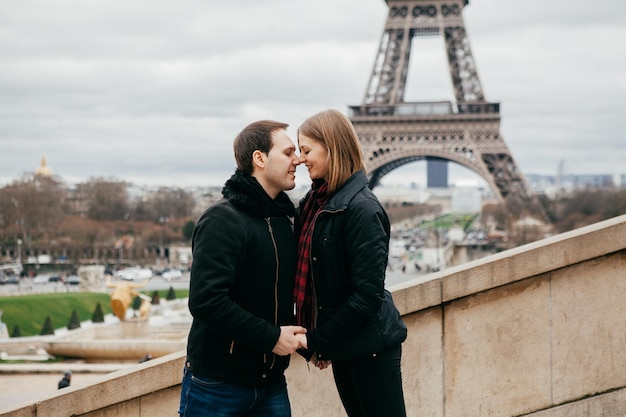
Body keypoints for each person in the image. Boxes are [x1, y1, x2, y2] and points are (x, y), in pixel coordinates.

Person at [178, 120, 306, 417]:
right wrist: (272, 337)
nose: (297, 159)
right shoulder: (222, 220)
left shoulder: (285, 221)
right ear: (259, 159)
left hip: (271, 382)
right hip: (218, 384)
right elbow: (206, 302)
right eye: (288, 153)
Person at [294, 109, 408, 417]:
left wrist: (318, 338)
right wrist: (325, 344)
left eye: (306, 150)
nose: (301, 158)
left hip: (370, 347)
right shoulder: (315, 203)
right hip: (346, 344)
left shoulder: (362, 209)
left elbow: (366, 297)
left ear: (331, 147)